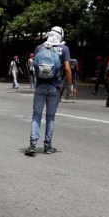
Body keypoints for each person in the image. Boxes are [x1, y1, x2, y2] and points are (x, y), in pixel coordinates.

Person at [25, 26, 73, 156]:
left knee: (36, 116)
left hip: (40, 86)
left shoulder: (39, 48)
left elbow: (34, 66)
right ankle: (47, 146)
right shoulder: (64, 49)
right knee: (50, 117)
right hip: (54, 87)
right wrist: (70, 86)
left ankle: (32, 145)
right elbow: (67, 69)